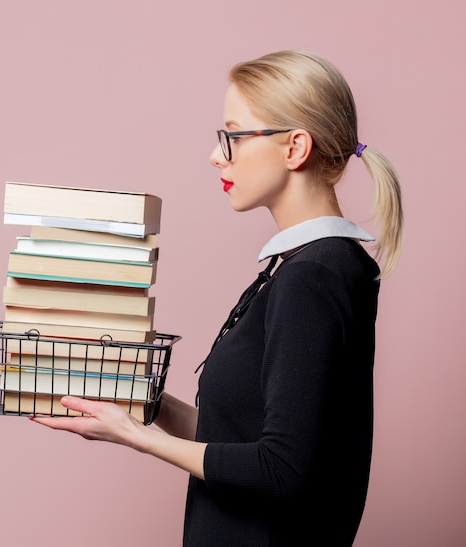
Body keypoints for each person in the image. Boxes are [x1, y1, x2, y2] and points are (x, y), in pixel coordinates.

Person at [30, 49, 404, 546]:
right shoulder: (303, 267)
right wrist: (137, 399)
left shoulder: (314, 276)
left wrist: (133, 436)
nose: (216, 155)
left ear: (295, 148)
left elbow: (282, 469)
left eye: (233, 136)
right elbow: (233, 437)